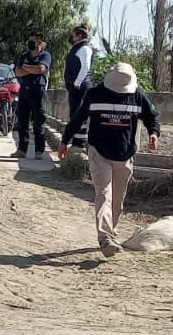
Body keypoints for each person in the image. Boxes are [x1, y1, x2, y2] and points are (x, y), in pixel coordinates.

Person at [58, 63, 161, 258]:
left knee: (117, 200)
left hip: (125, 154)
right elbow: (78, 117)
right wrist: (65, 141)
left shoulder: (137, 95)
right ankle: (104, 238)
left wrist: (153, 133)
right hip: (99, 152)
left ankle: (109, 234)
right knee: (104, 194)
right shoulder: (94, 93)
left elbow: (152, 116)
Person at [12, 31, 52, 160]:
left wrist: (26, 68)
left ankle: (39, 151)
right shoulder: (24, 56)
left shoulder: (45, 55)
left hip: (38, 91)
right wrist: (32, 69)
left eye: (33, 40)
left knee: (38, 122)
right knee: (22, 122)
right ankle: (22, 149)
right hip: (24, 91)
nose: (30, 43)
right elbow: (18, 73)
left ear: (39, 42)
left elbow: (41, 69)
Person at [65, 24, 94, 151]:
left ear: (80, 36)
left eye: (74, 35)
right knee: (74, 113)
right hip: (75, 86)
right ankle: (76, 141)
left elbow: (85, 67)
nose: (72, 37)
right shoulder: (77, 48)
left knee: (79, 114)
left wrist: (77, 82)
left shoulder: (84, 49)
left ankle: (79, 143)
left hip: (80, 86)